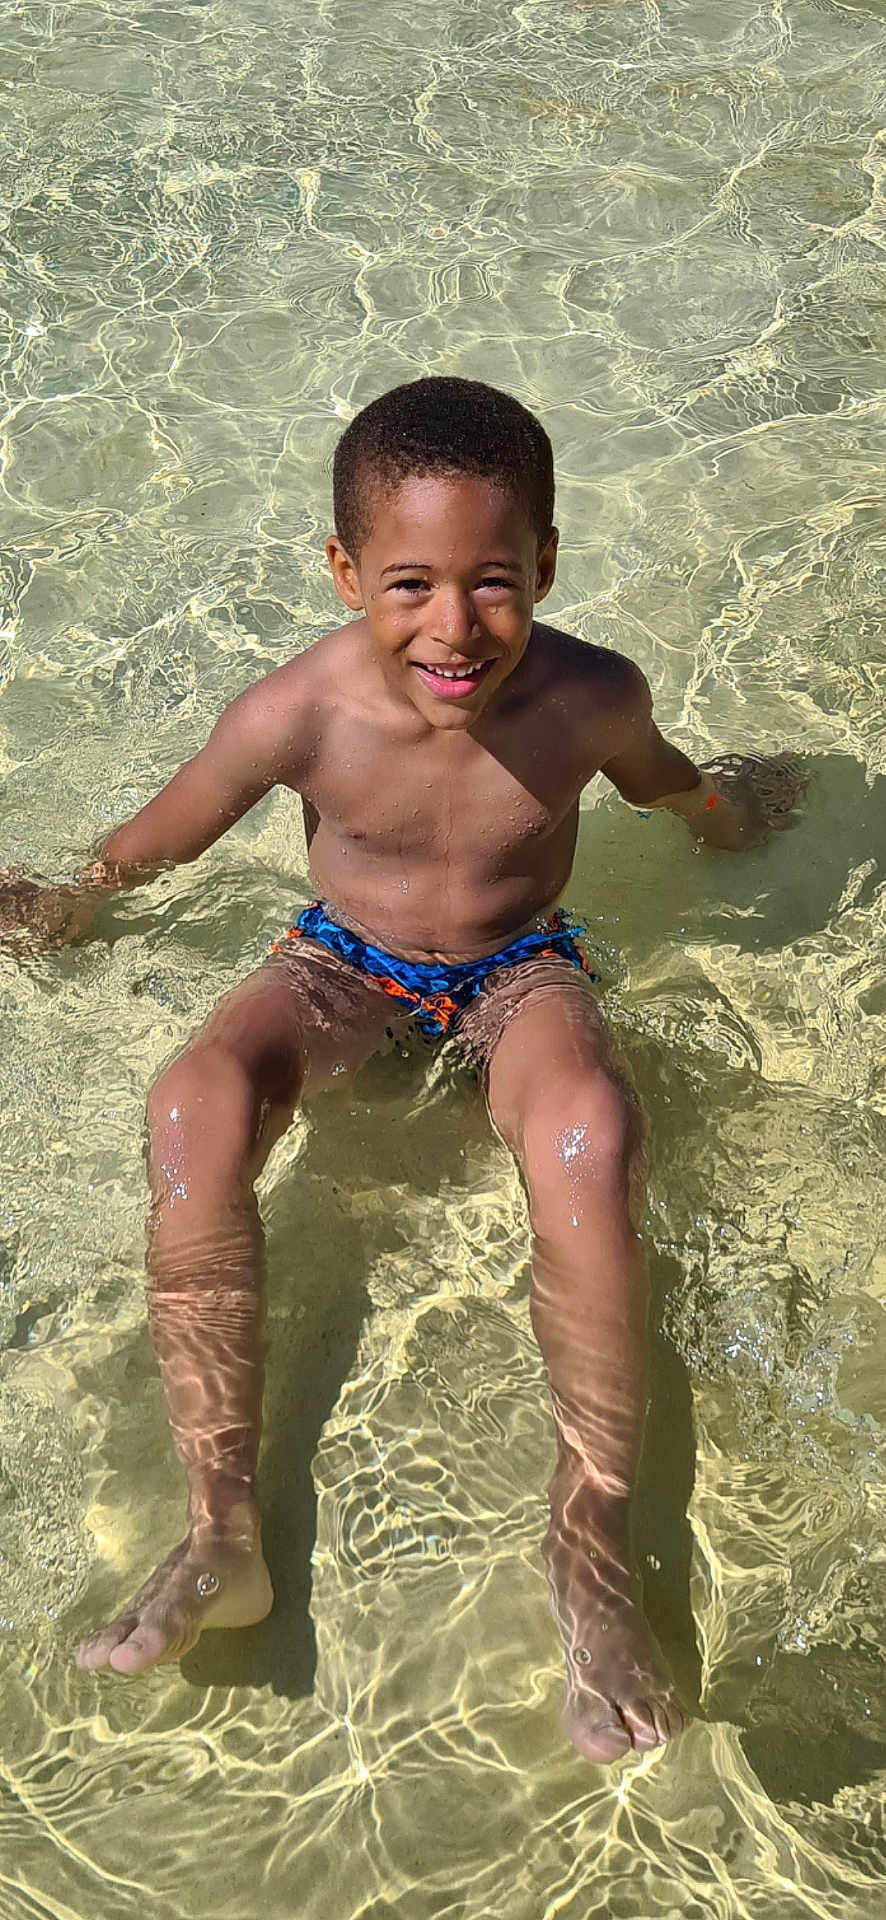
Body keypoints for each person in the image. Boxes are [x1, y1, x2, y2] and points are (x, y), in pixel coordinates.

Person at [0, 377, 804, 1764]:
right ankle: (220, 1530)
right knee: (192, 1101)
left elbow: (670, 789)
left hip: (515, 970)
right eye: (411, 583)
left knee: (590, 1137)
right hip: (342, 965)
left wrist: (741, 813)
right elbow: (165, 835)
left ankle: (589, 1548)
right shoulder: (298, 712)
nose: (454, 626)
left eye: (494, 582)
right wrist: (79, 896)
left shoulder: (591, 695)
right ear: (343, 571)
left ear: (545, 565)